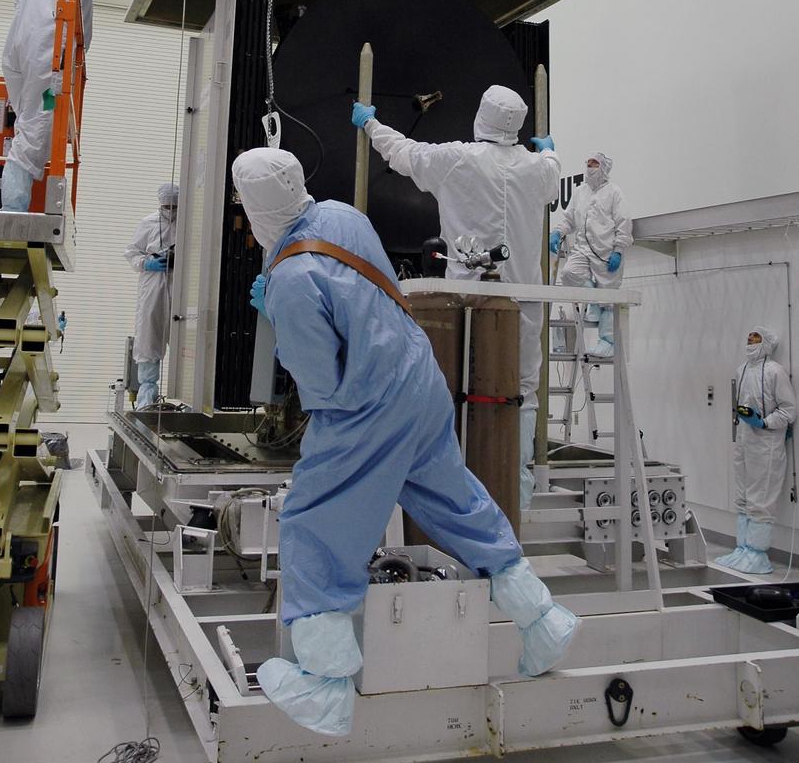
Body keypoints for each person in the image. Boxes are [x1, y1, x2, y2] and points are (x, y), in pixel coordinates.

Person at [233, 147, 578, 738]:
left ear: (253, 208)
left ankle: (324, 686)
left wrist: (282, 318)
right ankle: (542, 621)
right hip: (421, 383)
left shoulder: (292, 277)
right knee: (457, 503)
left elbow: (322, 385)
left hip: (365, 406)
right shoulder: (344, 215)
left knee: (313, 523)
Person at [352, 85, 559, 510]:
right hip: (523, 303)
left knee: (455, 386)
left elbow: (404, 153)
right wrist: (550, 152)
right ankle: (513, 504)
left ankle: (456, 504)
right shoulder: (537, 169)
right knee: (521, 392)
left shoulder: (457, 159)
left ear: (481, 115)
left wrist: (370, 123)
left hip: (464, 302)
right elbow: (553, 174)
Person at [1, 0, 162, 212]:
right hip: (49, 50)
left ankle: (17, 194)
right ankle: (13, 207)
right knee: (38, 121)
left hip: (18, 49)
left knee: (29, 119)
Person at [716, 325, 796, 574]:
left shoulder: (774, 371)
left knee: (761, 498)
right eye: (748, 337)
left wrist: (764, 422)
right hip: (744, 440)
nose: (750, 341)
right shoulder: (741, 370)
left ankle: (758, 554)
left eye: (756, 338)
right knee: (743, 496)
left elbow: (789, 409)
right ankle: (742, 548)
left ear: (766, 343)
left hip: (766, 444)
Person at [549, 152, 632, 357]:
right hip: (583, 248)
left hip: (606, 252)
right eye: (588, 163)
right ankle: (591, 300)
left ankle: (607, 342)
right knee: (569, 273)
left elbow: (624, 222)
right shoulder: (580, 192)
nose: (590, 167)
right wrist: (558, 232)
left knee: (608, 300)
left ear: (603, 168)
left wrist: (619, 250)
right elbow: (569, 218)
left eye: (594, 164)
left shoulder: (614, 193)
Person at [123, 183, 178, 411]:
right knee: (149, 334)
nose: (170, 210)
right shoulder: (148, 222)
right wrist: (148, 263)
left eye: (174, 206)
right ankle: (147, 396)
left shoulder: (189, 223)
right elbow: (131, 253)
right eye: (166, 206)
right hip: (153, 284)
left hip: (179, 282)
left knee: (183, 333)